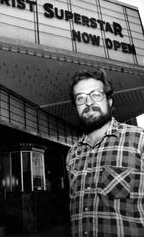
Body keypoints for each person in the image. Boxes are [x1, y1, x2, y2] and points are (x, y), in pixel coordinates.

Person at [66, 68, 144, 237]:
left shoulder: (139, 140)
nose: (88, 103)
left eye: (96, 95)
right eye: (81, 98)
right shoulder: (72, 154)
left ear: (109, 101)